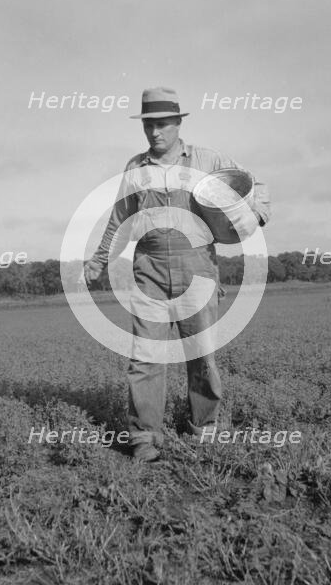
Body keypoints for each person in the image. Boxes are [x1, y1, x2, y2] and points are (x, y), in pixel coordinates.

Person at [83, 87, 270, 461]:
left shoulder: (206, 159)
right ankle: (144, 439)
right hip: (148, 270)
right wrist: (98, 260)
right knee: (145, 358)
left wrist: (258, 213)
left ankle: (205, 429)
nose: (155, 132)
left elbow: (253, 184)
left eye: (163, 124)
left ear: (178, 123)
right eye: (149, 125)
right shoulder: (135, 169)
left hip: (197, 269)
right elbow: (119, 220)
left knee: (201, 354)